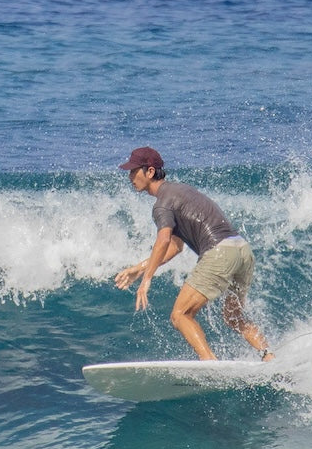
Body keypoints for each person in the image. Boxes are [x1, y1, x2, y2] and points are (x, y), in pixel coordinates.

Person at [113, 146, 273, 361]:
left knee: (180, 315)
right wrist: (139, 268)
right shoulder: (181, 190)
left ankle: (211, 364)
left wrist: (146, 280)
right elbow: (175, 247)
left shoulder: (161, 204)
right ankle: (268, 355)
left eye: (134, 171)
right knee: (233, 316)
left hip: (219, 253)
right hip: (242, 251)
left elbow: (163, 239)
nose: (130, 176)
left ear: (149, 172)